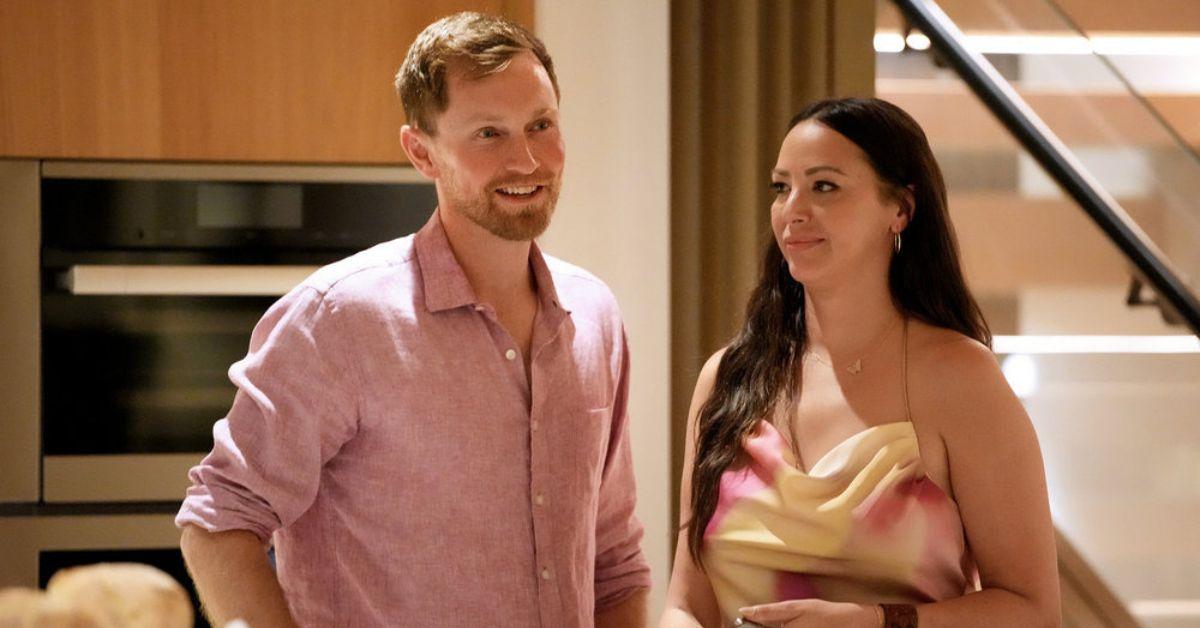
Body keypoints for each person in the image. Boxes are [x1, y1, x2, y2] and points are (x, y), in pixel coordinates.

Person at [176, 12, 651, 628]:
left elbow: (613, 562)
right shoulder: (339, 320)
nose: (528, 160)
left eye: (541, 124)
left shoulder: (595, 315)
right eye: (488, 134)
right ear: (421, 152)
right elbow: (220, 520)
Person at [660, 98, 1060, 628]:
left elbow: (1032, 611)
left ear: (900, 209)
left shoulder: (962, 379)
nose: (792, 210)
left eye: (824, 186)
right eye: (782, 187)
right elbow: (686, 604)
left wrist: (875, 621)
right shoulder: (729, 377)